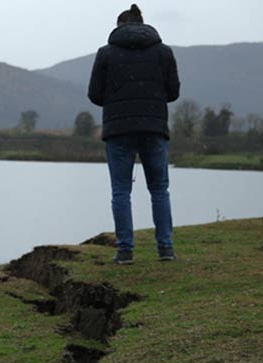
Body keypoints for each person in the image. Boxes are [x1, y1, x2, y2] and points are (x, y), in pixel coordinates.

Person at [88, 3, 180, 265]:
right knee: (160, 189)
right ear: (142, 23)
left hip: (118, 130)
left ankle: (125, 251)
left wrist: (118, 100)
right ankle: (166, 248)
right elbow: (172, 92)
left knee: (120, 191)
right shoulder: (164, 52)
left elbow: (95, 94)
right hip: (154, 127)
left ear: (119, 26)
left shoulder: (106, 54)